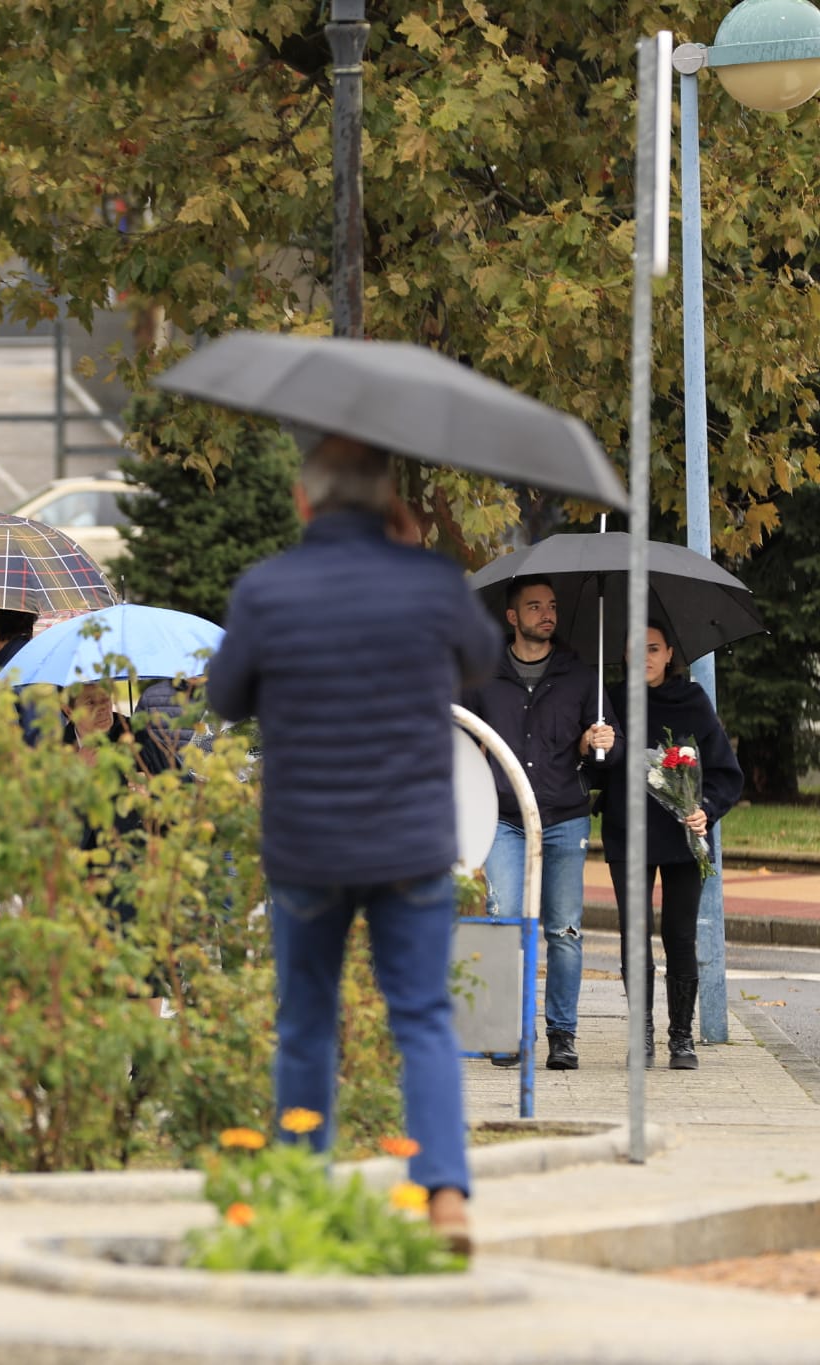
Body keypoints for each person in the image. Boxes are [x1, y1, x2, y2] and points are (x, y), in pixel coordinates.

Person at [204, 434, 497, 1256]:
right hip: (410, 843)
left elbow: (225, 696)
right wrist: (416, 555)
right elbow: (483, 659)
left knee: (306, 1021)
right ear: (388, 501)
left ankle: (302, 1192)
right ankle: (445, 1196)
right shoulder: (432, 582)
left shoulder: (268, 588)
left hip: (308, 845)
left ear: (305, 501)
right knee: (423, 1016)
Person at [464, 575, 611, 1072]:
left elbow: (608, 751)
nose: (547, 614)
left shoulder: (580, 677)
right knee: (505, 921)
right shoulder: (483, 675)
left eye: (551, 606)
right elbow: (460, 737)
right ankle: (507, 1029)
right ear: (512, 617)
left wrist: (598, 742)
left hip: (565, 817)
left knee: (564, 930)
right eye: (534, 606)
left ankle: (562, 1035)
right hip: (504, 817)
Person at [593, 619, 742, 1070]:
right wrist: (594, 745)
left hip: (683, 837)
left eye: (654, 648)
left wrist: (707, 809)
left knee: (679, 934)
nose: (645, 656)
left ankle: (681, 1038)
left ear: (669, 654)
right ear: (623, 654)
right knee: (634, 935)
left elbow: (725, 772)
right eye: (636, 648)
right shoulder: (610, 702)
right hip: (628, 833)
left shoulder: (693, 701)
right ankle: (641, 1037)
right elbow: (596, 772)